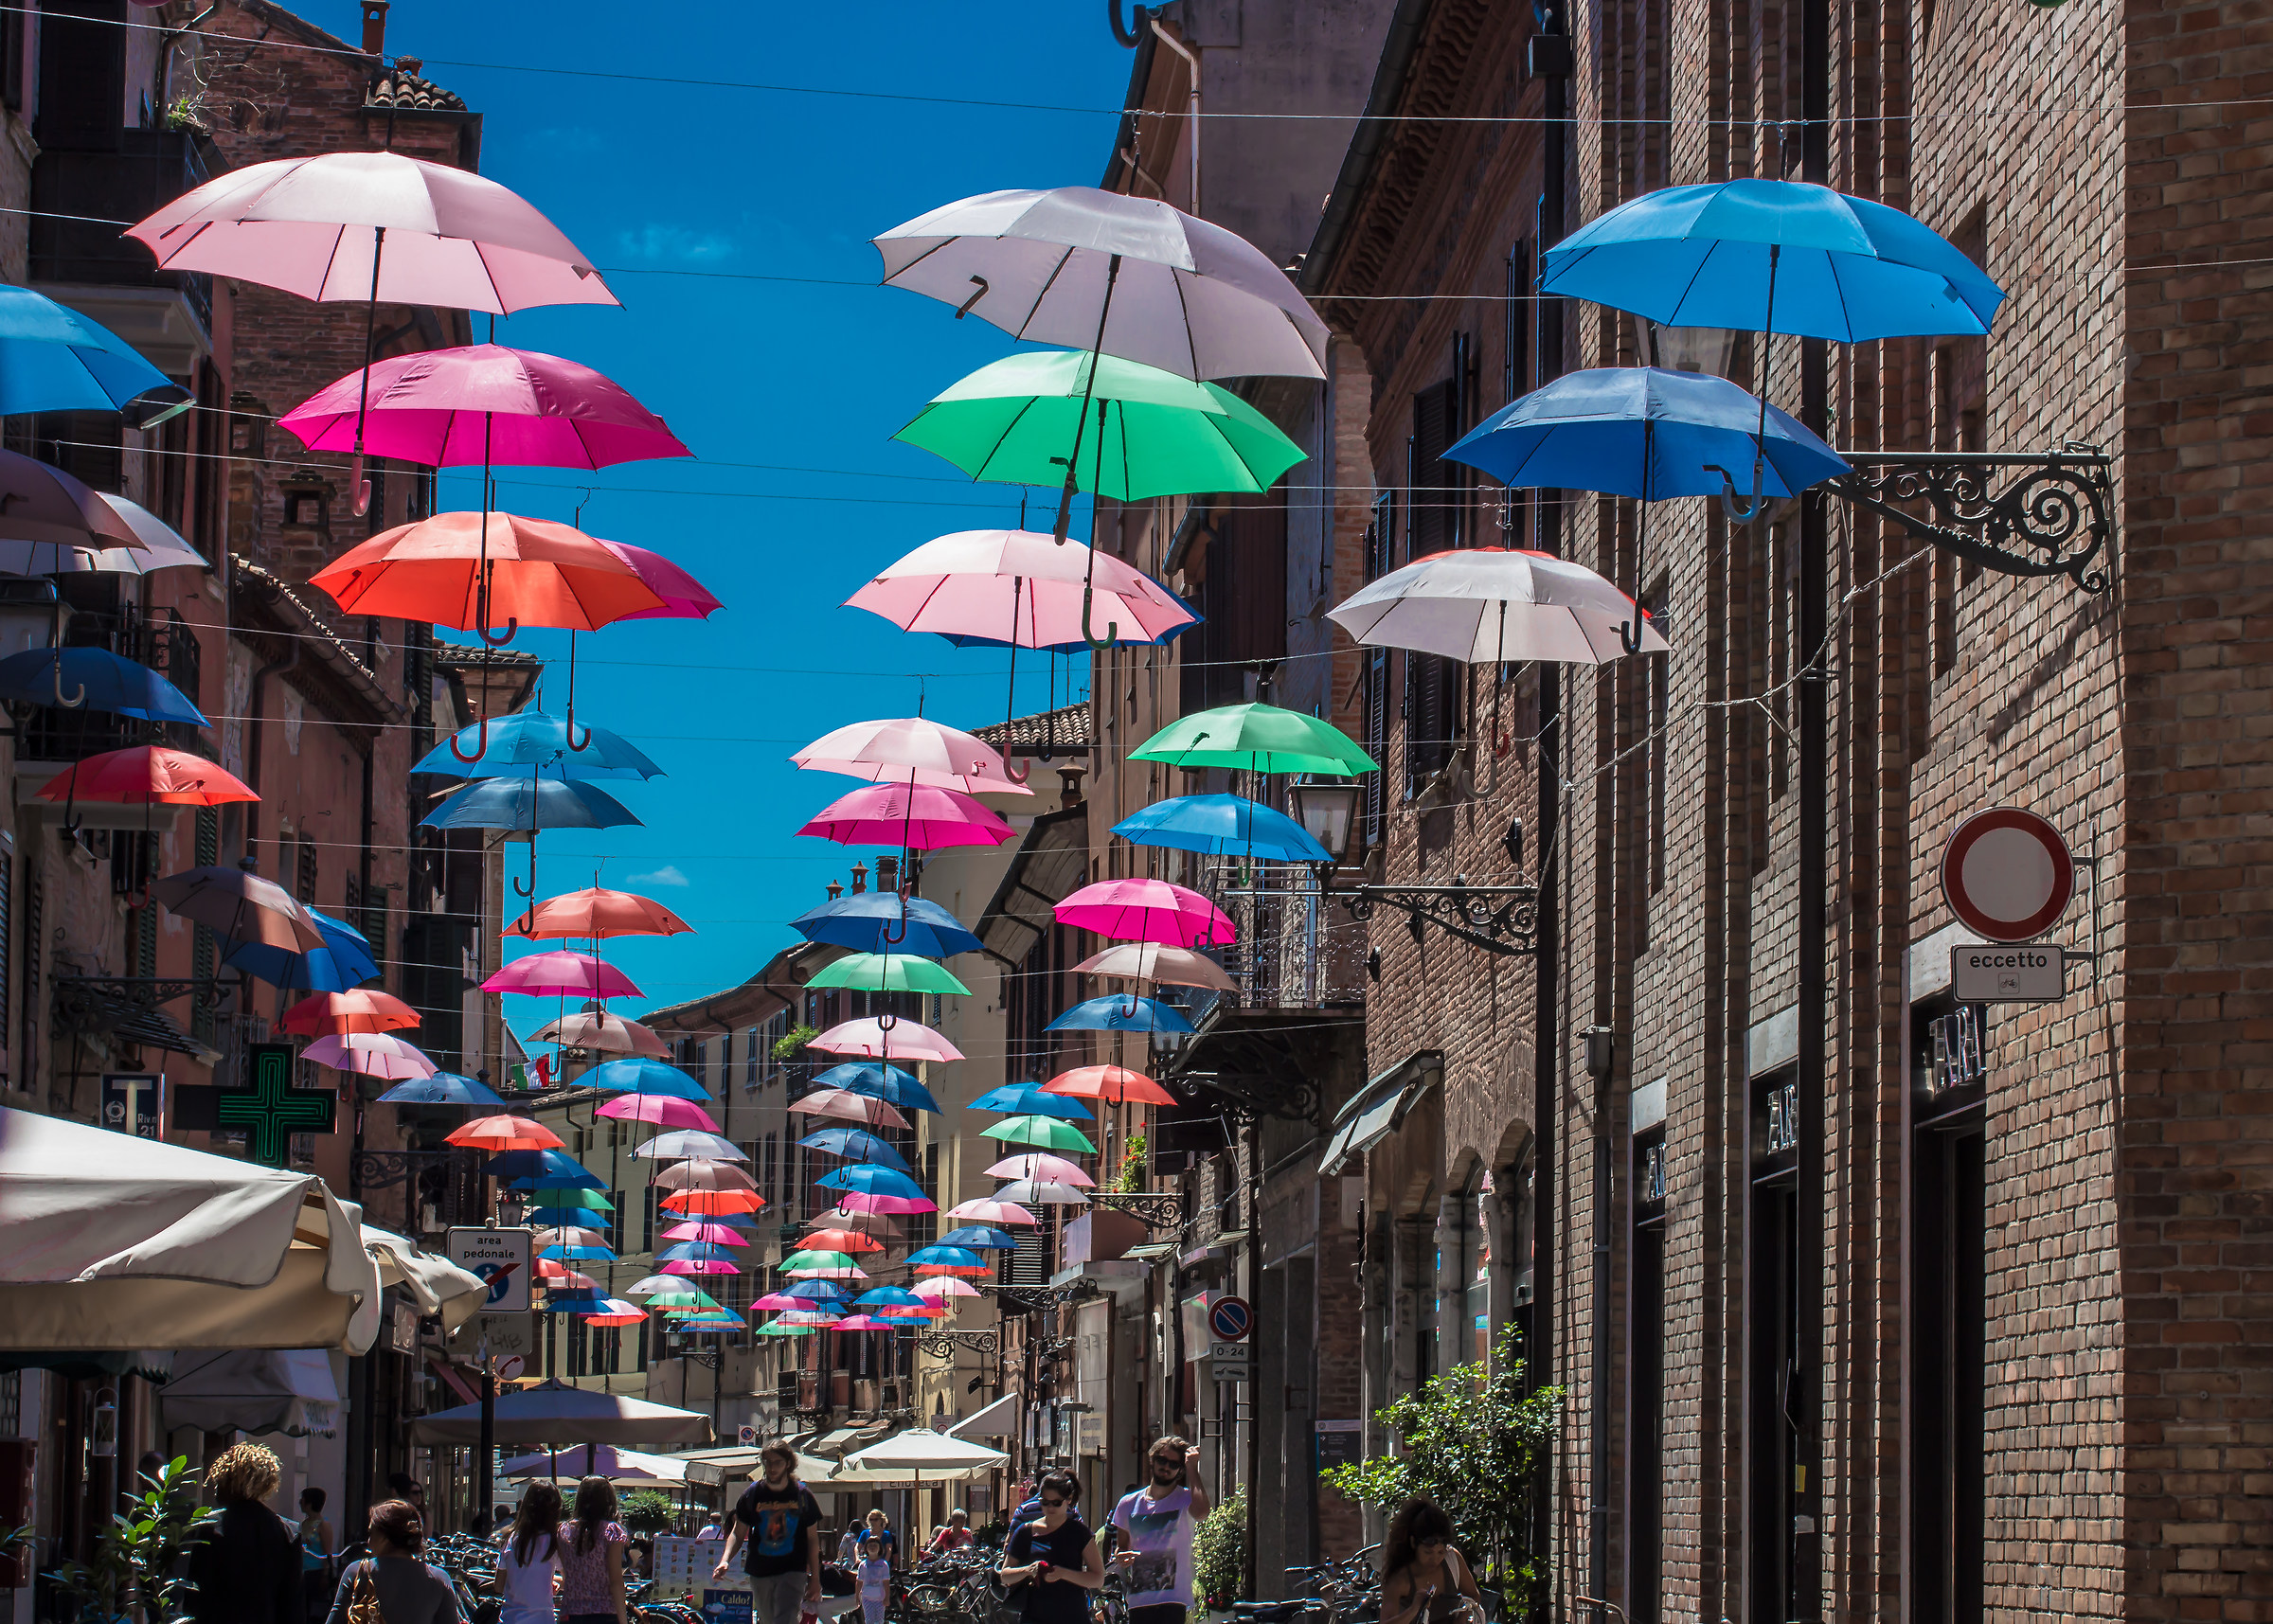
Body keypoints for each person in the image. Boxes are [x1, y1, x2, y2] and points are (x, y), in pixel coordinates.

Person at [184, 1442, 301, 1624]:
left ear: (228, 1481)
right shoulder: (288, 1532)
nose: (215, 1489)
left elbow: (196, 1597)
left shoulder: (212, 1527)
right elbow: (292, 1603)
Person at [713, 1443, 823, 1624]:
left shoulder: (802, 1495)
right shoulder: (753, 1494)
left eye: (778, 1462)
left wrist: (816, 1579)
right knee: (767, 1620)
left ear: (788, 1463)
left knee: (785, 1619)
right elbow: (737, 1534)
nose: (772, 1467)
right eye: (768, 1462)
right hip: (760, 1570)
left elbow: (812, 1540)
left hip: (792, 1570)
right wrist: (725, 1560)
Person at [1109, 1437, 1211, 1624]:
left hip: (1173, 1599)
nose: (1166, 1467)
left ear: (1180, 1470)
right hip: (1139, 1598)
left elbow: (1202, 1513)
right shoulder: (1128, 1504)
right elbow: (1122, 1549)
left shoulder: (1185, 1499)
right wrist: (1121, 1556)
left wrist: (1192, 1468)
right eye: (1162, 1460)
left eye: (1173, 1464)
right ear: (1152, 1460)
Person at [325, 1500, 462, 1624]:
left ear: (385, 1538)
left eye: (371, 1534)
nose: (369, 1542)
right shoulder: (439, 1579)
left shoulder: (358, 1572)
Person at [998, 1470, 1102, 1624]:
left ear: (1068, 1499)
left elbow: (1098, 1579)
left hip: (1072, 1616)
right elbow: (1005, 1575)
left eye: (1056, 1503)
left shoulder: (1079, 1533)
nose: (1050, 1508)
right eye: (1045, 1502)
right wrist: (1028, 1570)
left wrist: (1064, 1573)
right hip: (1034, 1617)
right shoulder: (1026, 1532)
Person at [1376, 1500, 1484, 1624]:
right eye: (1428, 1552)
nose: (1435, 1559)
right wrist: (1414, 1609)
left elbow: (1473, 1596)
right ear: (1413, 1543)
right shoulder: (1400, 1580)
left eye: (1440, 1552)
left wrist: (1461, 1619)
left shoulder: (1452, 1560)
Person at [555, 1476, 629, 1624]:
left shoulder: (565, 1531)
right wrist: (623, 1620)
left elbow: (567, 1574)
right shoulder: (611, 1532)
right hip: (604, 1612)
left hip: (571, 1611)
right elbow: (615, 1580)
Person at [497, 1483, 565, 1624]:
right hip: (542, 1619)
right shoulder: (554, 1542)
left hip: (510, 1619)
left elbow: (498, 1585)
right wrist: (550, 1582)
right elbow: (570, 1580)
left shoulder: (510, 1540)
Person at [296, 1487, 336, 1624]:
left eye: (303, 1500)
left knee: (314, 1609)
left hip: (316, 1572)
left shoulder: (323, 1525)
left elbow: (327, 1552)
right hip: (303, 1572)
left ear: (309, 1503)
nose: (300, 1502)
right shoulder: (303, 1524)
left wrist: (325, 1575)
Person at [856, 1536, 893, 1624]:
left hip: (880, 1598)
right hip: (866, 1597)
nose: (872, 1548)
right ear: (866, 1548)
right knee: (869, 1620)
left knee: (879, 1620)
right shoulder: (862, 1565)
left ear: (880, 1548)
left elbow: (886, 1583)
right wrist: (857, 1596)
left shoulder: (884, 1565)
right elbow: (859, 1581)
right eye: (870, 1546)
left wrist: (887, 1598)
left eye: (875, 1545)